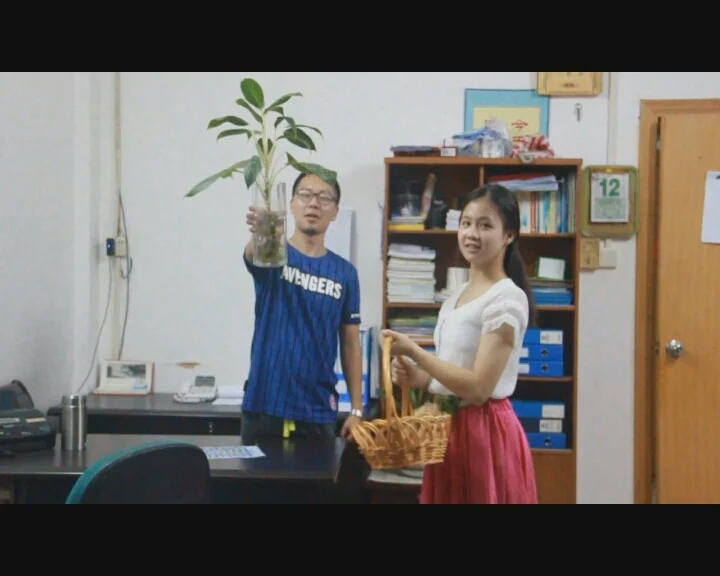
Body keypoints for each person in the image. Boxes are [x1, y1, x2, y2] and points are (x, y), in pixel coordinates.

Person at [381, 183, 538, 504]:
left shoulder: (507, 298)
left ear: (508, 235)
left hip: (485, 433)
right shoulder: (454, 298)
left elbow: (478, 388)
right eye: (466, 223)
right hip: (448, 430)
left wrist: (415, 352)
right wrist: (419, 378)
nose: (472, 234)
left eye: (485, 225)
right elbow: (453, 373)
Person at [241, 171, 365, 446]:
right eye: (305, 195)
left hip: (318, 410)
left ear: (335, 211)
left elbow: (350, 343)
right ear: (291, 204)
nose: (313, 204)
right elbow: (252, 255)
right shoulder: (274, 256)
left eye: (324, 198)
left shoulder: (345, 273)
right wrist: (263, 232)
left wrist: (356, 409)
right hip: (264, 407)